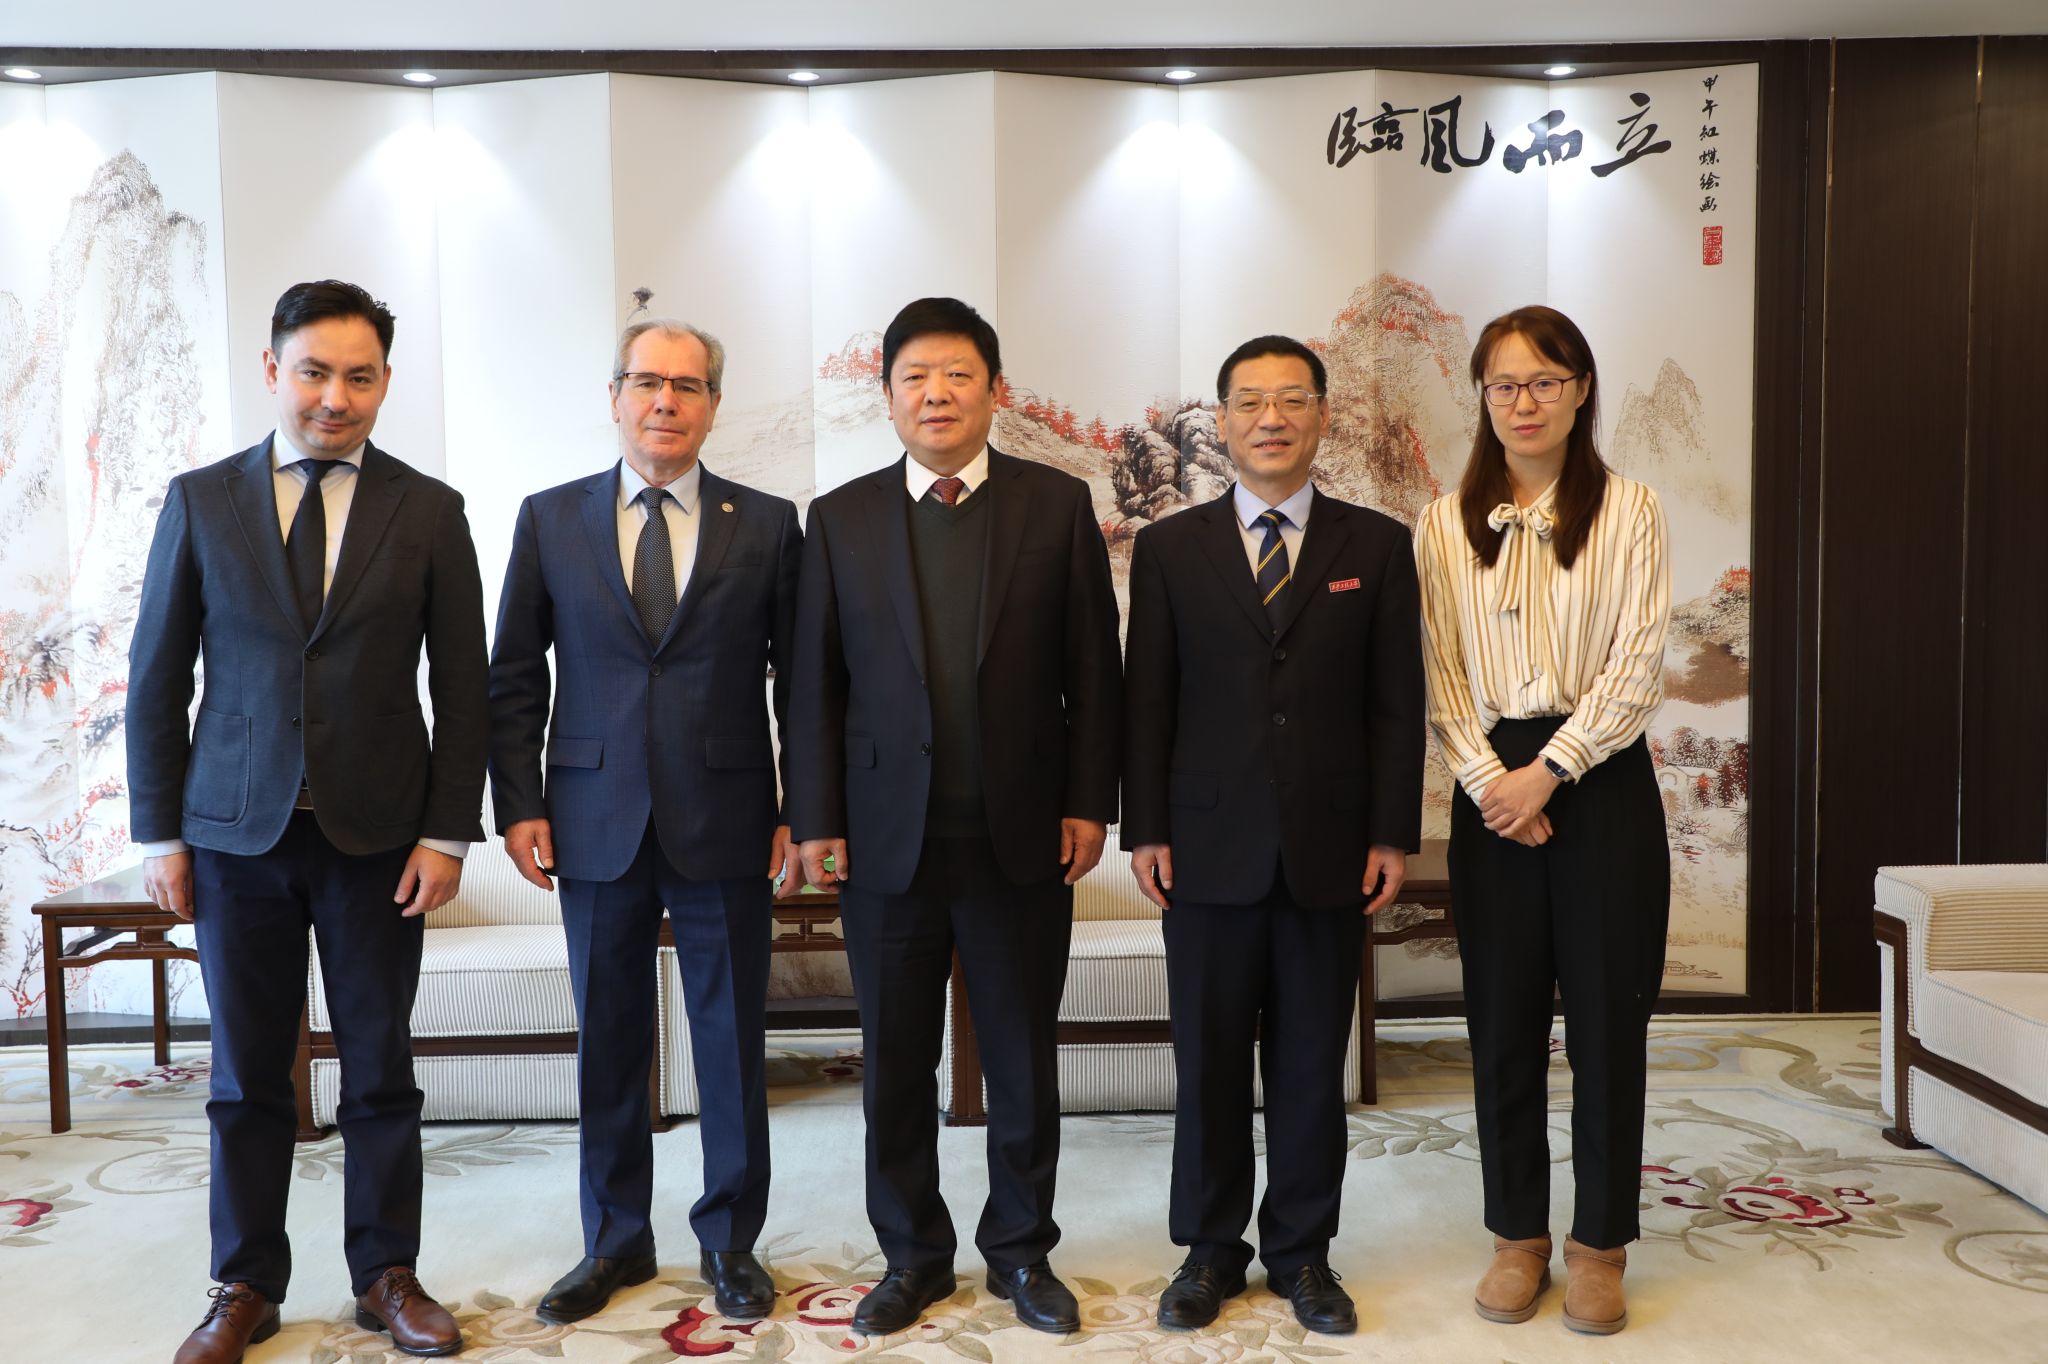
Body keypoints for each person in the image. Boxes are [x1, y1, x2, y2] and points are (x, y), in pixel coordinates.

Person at [129, 279, 486, 1363]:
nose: (335, 396)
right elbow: (158, 678)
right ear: (273, 370)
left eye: (359, 376)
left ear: (385, 383)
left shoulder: (429, 510)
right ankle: (245, 1281)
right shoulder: (202, 500)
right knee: (246, 1075)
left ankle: (386, 1274)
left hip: (379, 839)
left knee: (379, 1066)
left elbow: (463, 687)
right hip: (234, 834)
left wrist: (446, 833)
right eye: (315, 372)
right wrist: (160, 834)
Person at [787, 297, 1121, 1336]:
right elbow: (812, 684)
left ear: (994, 390)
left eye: (957, 374)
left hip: (1020, 836)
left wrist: (1087, 800)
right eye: (915, 377)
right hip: (886, 843)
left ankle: (1021, 1251)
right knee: (895, 1063)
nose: (936, 394)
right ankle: (913, 1256)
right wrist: (815, 816)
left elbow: (1092, 670)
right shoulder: (838, 517)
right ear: (887, 394)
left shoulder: (1054, 505)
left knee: (1021, 1060)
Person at [488, 319, 802, 1324]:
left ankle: (730, 1240)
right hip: (591, 817)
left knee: (730, 1040)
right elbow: (512, 674)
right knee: (611, 1040)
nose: (665, 401)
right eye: (647, 382)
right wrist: (520, 804)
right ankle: (614, 1241)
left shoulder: (767, 522)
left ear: (713, 404)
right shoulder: (550, 518)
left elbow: (801, 681)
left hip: (729, 815)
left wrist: (798, 808)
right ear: (615, 395)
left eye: (687, 385)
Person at [1121, 336, 1424, 1335]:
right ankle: (1208, 1250)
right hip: (1205, 849)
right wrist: (1145, 827)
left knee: (1308, 1068)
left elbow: (1395, 704)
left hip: (1328, 850)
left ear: (1321, 416)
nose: (1271, 418)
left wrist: (1390, 831)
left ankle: (1302, 1252)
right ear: (1222, 422)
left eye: (1292, 399)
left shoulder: (1374, 546)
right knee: (1209, 1066)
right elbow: (1147, 699)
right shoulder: (1172, 548)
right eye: (1249, 401)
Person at [1413, 304, 1671, 1336]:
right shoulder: (1441, 523)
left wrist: (1550, 771)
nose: (1524, 402)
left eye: (1545, 381)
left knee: (1608, 1021)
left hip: (1599, 781)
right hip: (1490, 789)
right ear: (1482, 397)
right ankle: (1516, 1237)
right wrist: (1494, 782)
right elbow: (1437, 670)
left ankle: (1599, 1245)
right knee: (1502, 1021)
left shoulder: (1631, 510)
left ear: (1579, 391)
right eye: (1504, 384)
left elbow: (1637, 661)